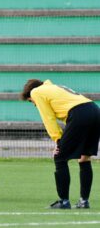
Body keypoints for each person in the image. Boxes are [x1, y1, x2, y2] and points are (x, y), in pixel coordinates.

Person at [21, 79, 100, 209]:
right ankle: (83, 201)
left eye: (31, 101)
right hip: (94, 110)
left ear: (31, 93)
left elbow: (48, 118)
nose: (34, 104)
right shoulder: (53, 87)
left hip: (79, 113)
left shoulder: (36, 92)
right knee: (84, 158)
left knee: (59, 157)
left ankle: (63, 201)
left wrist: (58, 141)